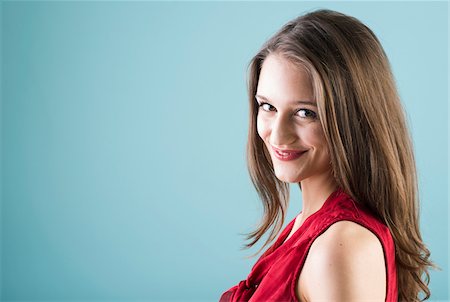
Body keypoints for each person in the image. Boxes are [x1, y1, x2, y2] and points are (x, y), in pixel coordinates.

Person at [220, 9, 434, 302]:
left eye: (305, 113)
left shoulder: (341, 245)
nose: (278, 135)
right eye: (267, 106)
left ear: (354, 118)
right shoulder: (306, 226)